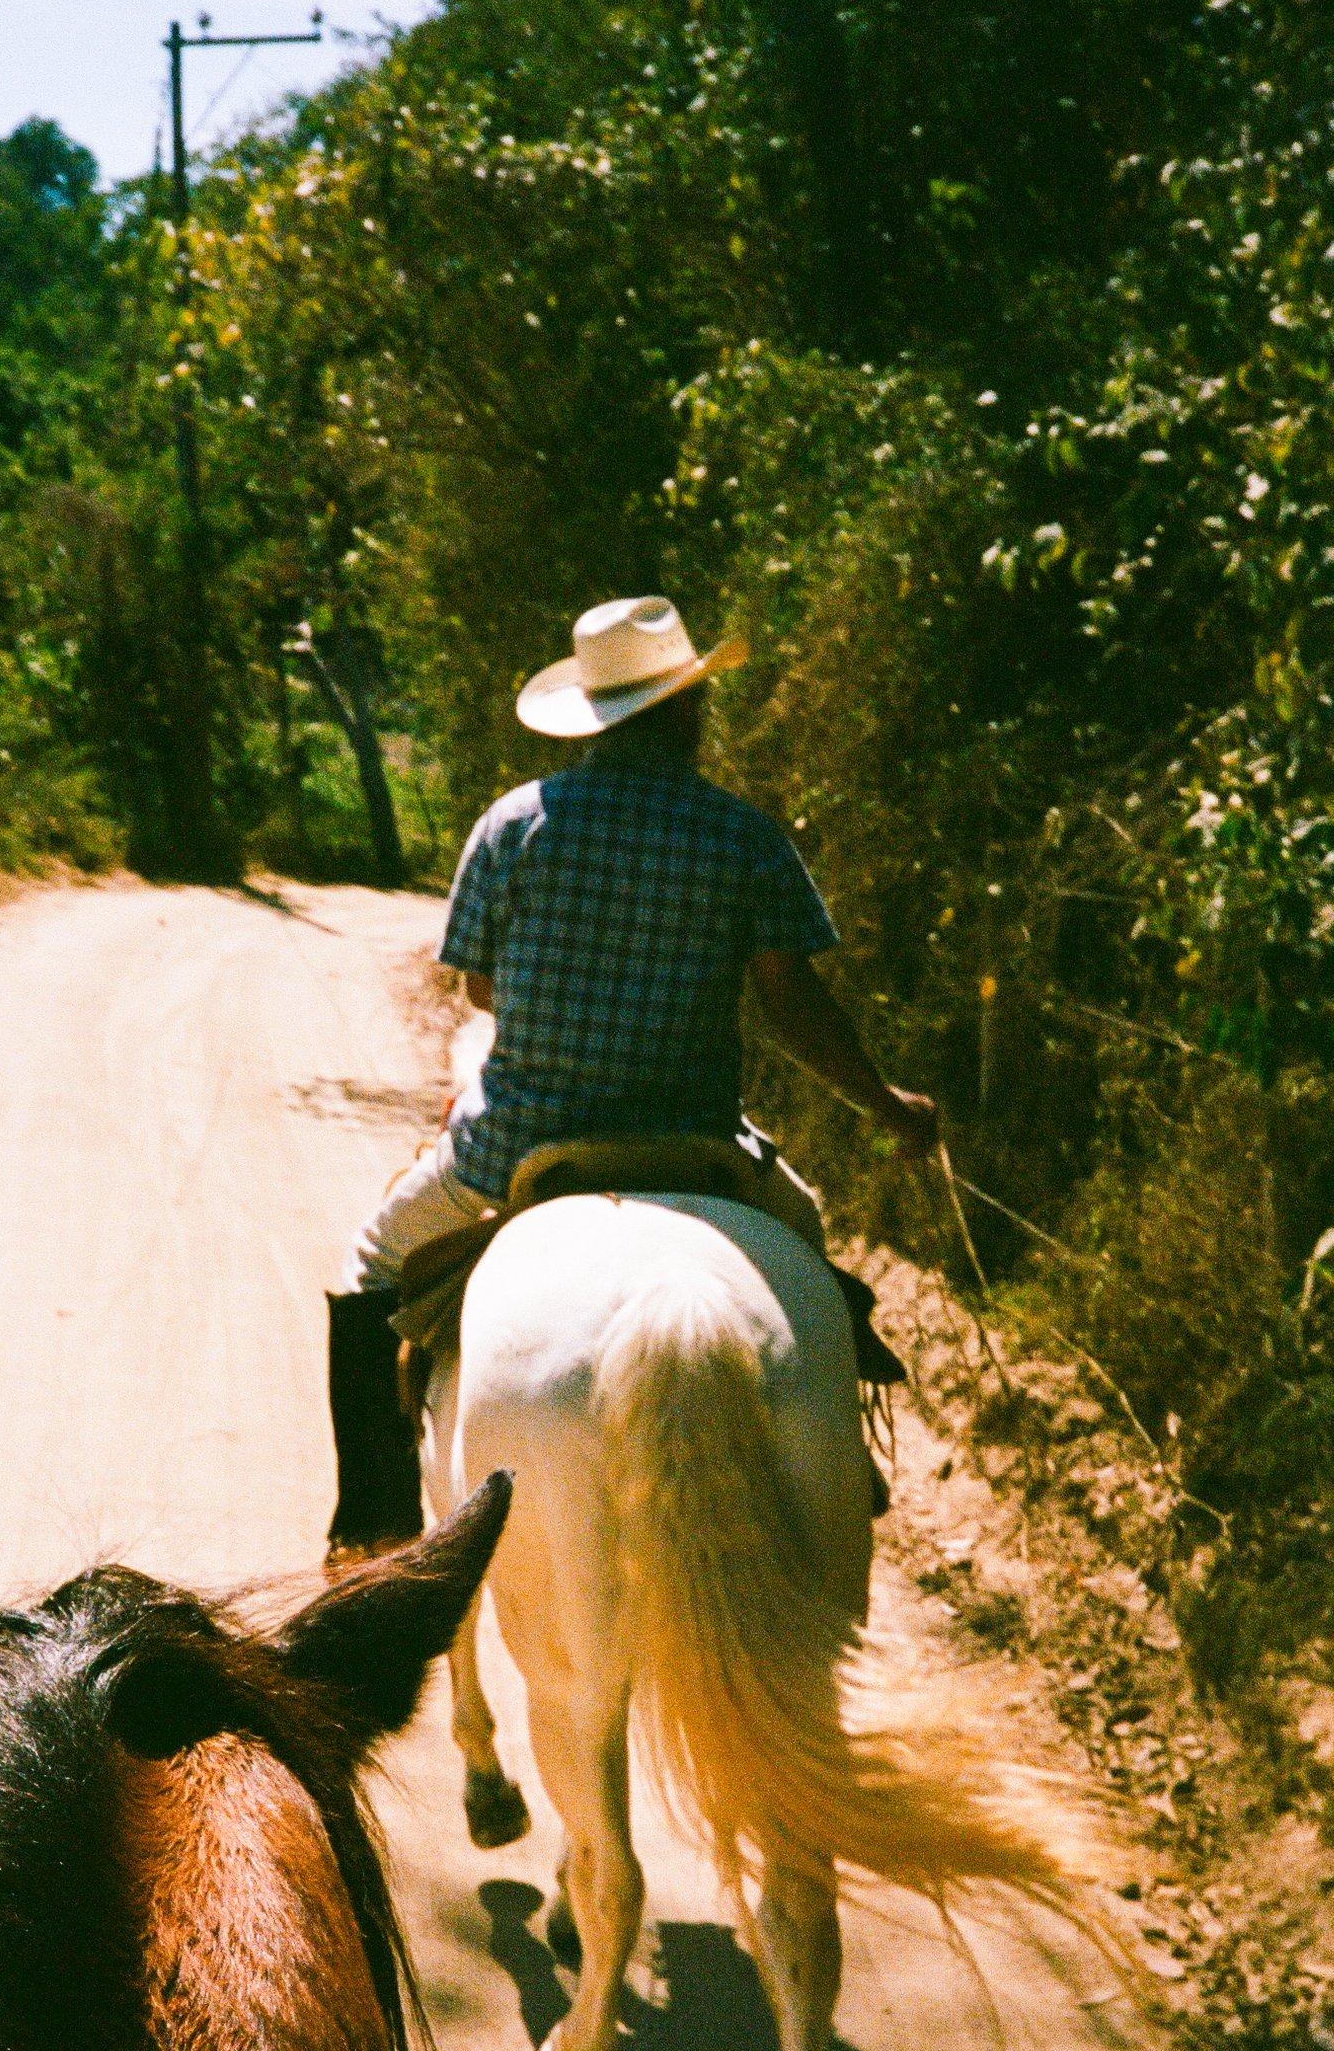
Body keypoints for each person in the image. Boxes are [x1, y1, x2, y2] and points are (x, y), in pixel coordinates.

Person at [325, 593, 939, 1554]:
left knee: (373, 1262)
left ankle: (371, 1532)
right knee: (806, 1242)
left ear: (596, 713)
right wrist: (888, 1104)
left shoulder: (513, 823)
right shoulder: (744, 835)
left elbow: (482, 984)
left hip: (519, 1148)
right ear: (689, 707)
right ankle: (844, 1470)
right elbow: (793, 1007)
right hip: (696, 1147)